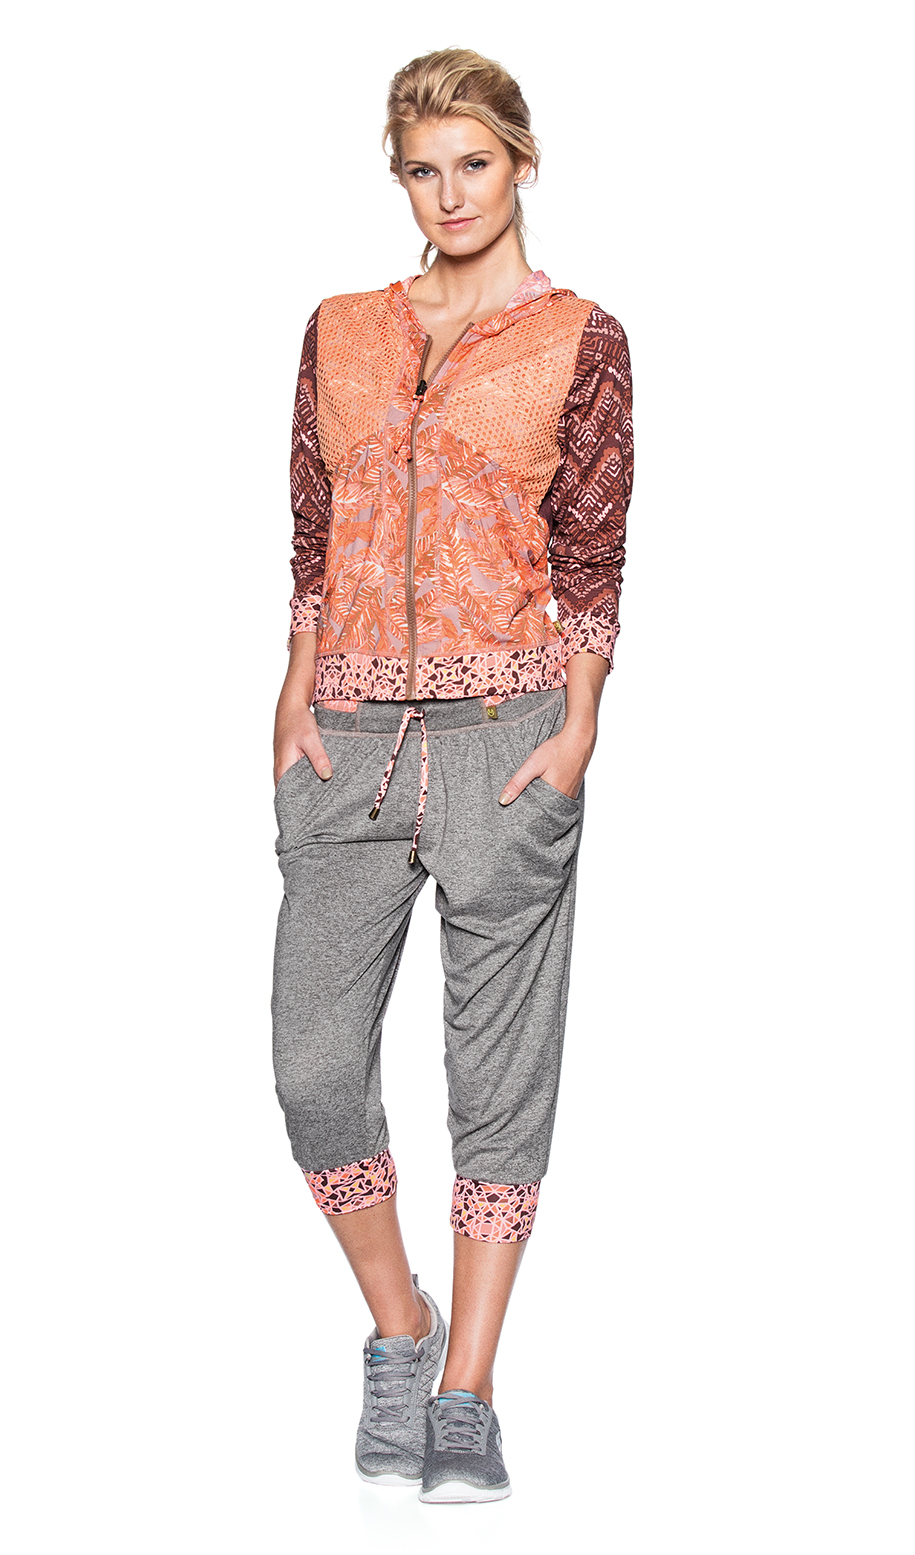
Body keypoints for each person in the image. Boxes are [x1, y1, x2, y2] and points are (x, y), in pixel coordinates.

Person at [271, 46, 634, 1504]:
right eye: (423, 169)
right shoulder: (341, 330)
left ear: (520, 163)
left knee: (499, 1083)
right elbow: (313, 530)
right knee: (312, 1068)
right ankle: (400, 1326)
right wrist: (293, 695)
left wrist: (577, 725)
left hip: (507, 740)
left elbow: (593, 550)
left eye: (473, 162)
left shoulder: (583, 339)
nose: (450, 193)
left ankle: (468, 1390)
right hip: (347, 742)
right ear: (401, 179)